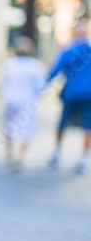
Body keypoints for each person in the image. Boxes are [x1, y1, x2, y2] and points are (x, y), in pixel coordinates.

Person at [46, 19, 91, 173]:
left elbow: (55, 71)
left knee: (62, 123)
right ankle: (83, 159)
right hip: (88, 95)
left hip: (70, 93)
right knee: (87, 126)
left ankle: (56, 154)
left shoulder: (68, 50)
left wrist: (44, 85)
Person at [0, 36, 44, 171]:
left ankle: (9, 153)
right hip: (27, 101)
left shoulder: (9, 64)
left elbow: (3, 82)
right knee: (27, 129)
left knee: (9, 127)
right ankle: (19, 157)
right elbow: (41, 87)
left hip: (10, 100)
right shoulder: (35, 66)